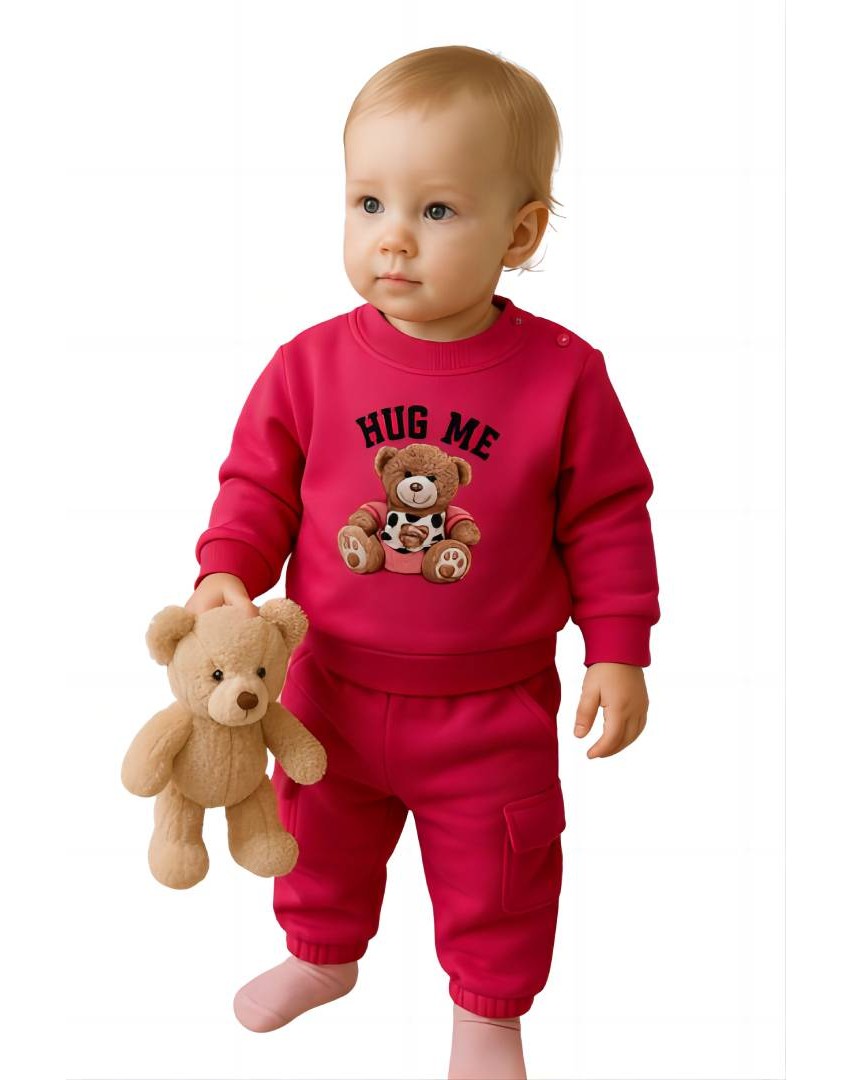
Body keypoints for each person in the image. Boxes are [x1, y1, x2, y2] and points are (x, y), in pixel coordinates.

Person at [184, 44, 660, 1080]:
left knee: (501, 867)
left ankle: (489, 1012)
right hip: (329, 686)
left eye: (436, 210)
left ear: (519, 233)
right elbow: (257, 485)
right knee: (318, 828)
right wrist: (228, 567)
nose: (391, 236)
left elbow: (607, 519)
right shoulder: (308, 365)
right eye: (368, 203)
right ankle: (321, 953)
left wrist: (618, 649)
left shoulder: (564, 377)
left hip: (490, 706)